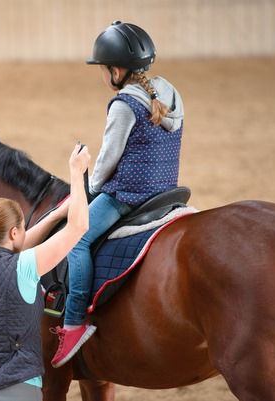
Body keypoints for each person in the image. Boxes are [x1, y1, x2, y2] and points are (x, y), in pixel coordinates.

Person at [50, 21, 185, 368]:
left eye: (103, 70)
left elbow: (107, 160)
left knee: (76, 238)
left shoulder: (124, 104)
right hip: (166, 191)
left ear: (115, 70)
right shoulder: (169, 93)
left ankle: (74, 322)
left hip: (129, 195)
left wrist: (87, 189)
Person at [0, 143, 91, 401]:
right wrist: (77, 172)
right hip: (16, 389)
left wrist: (53, 216)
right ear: (13, 233)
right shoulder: (24, 267)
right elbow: (78, 227)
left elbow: (15, 247)